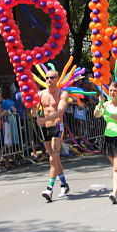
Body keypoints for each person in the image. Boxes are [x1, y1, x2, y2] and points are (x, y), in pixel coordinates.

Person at [33, 70, 70, 202]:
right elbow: (34, 110)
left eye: (52, 77)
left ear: (57, 78)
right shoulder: (40, 94)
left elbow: (60, 111)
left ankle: (49, 189)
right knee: (55, 159)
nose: (49, 80)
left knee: (52, 158)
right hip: (45, 128)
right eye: (47, 78)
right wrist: (36, 116)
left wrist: (44, 119)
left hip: (57, 127)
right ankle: (64, 184)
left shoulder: (62, 94)